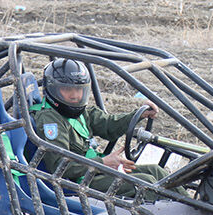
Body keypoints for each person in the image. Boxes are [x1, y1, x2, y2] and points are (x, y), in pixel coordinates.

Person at [31, 58, 168, 198]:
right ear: (53, 89)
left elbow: (109, 125)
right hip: (77, 183)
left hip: (93, 171)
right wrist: (102, 163)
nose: (75, 96)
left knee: (156, 172)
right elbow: (60, 166)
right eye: (67, 89)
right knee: (146, 183)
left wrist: (138, 115)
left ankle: (183, 207)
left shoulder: (81, 113)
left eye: (79, 90)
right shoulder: (50, 120)